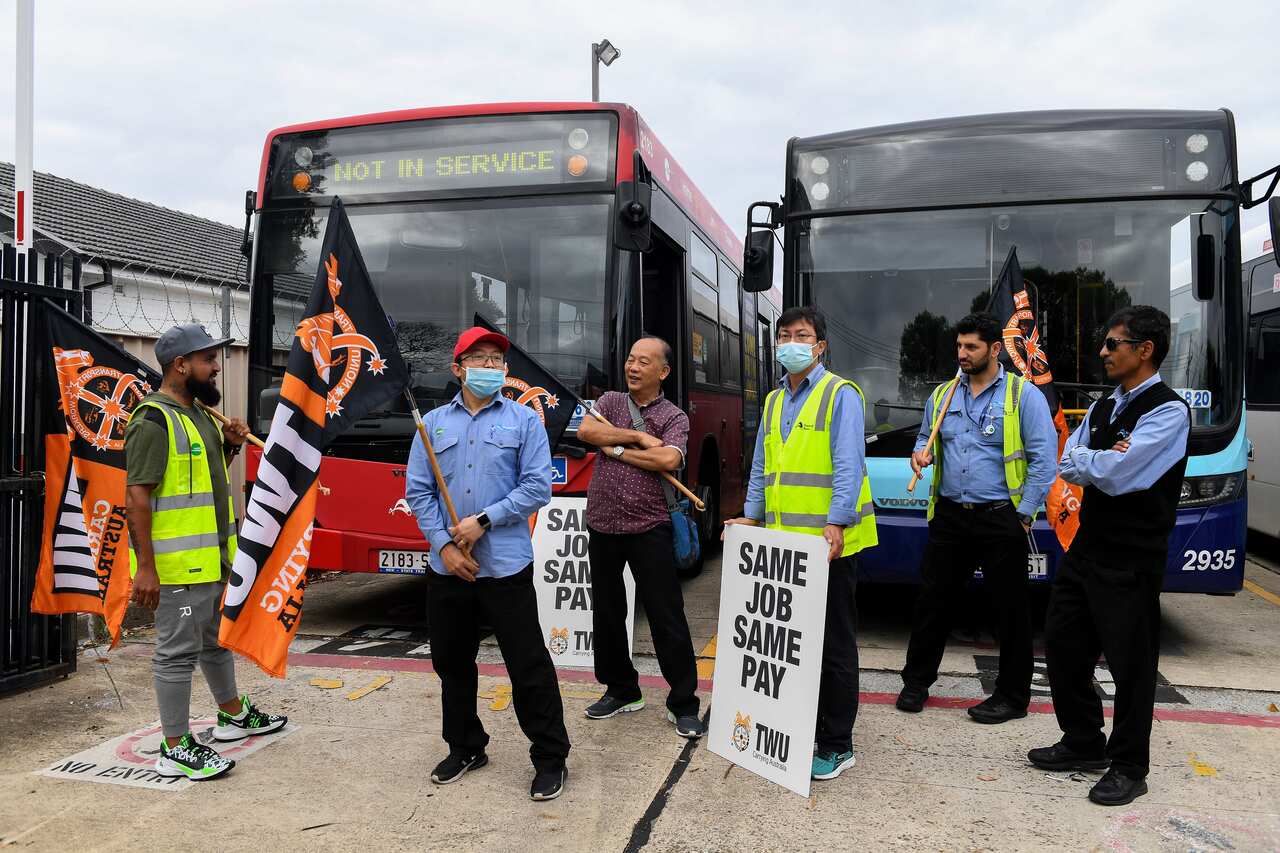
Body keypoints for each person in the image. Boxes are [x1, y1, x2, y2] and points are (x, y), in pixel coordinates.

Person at [1030, 306, 1190, 806]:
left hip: (1131, 558)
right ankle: (1083, 741)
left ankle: (1129, 766)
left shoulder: (1168, 410)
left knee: (1131, 666)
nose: (1103, 351)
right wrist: (1101, 460)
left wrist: (1098, 462)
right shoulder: (1104, 406)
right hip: (1087, 548)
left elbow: (1124, 474)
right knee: (1062, 647)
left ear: (1145, 350)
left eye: (1113, 343)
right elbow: (1071, 461)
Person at [405, 326, 571, 802]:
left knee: (528, 664)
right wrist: (444, 546)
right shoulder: (431, 424)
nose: (489, 368)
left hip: (505, 567)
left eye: (496, 361)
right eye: (478, 359)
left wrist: (482, 521)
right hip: (448, 571)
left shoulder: (525, 422)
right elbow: (419, 491)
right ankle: (465, 746)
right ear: (458, 369)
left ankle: (550, 757)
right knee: (452, 664)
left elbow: (538, 487)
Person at [126, 323, 287, 782]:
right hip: (177, 567)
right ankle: (175, 746)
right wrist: (148, 570)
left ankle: (231, 715)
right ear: (181, 365)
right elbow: (137, 496)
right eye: (208, 360)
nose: (216, 368)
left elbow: (203, 484)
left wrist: (231, 448)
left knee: (217, 640)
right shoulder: (152, 420)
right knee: (176, 654)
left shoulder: (198, 415)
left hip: (214, 559)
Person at [723, 306, 878, 781]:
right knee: (792, 646)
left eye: (802, 335)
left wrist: (837, 522)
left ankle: (837, 744)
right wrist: (750, 517)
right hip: (783, 547)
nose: (791, 342)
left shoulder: (840, 395)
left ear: (820, 346)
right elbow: (760, 468)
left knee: (833, 646)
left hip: (829, 545)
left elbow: (848, 464)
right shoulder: (773, 402)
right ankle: (800, 728)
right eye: (784, 335)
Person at [897, 313, 1056, 723]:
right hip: (950, 517)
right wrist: (920, 453)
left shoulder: (1023, 397)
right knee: (932, 602)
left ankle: (1012, 697)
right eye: (959, 346)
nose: (962, 354)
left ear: (995, 349)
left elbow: (1043, 461)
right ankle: (915, 684)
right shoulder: (943, 395)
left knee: (1010, 611)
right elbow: (923, 438)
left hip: (1001, 517)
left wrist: (1023, 516)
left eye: (971, 347)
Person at [576, 335, 705, 739]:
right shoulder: (611, 402)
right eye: (631, 359)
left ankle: (683, 703)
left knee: (667, 616)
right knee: (608, 613)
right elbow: (586, 433)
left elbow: (668, 458)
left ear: (662, 372)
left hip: (650, 527)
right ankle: (621, 690)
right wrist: (633, 437)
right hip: (601, 524)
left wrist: (615, 449)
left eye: (644, 362)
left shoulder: (674, 416)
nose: (633, 367)